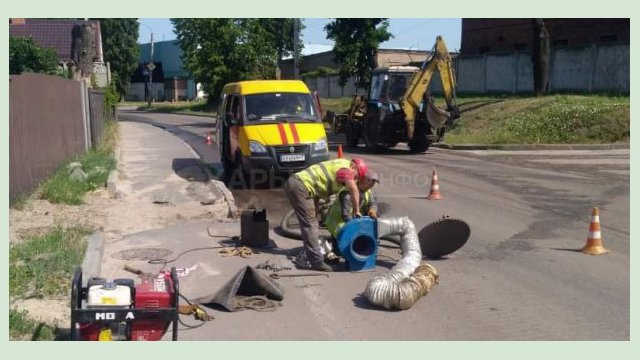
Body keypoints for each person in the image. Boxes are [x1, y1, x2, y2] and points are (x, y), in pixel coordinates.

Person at [284, 157, 369, 271]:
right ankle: (316, 261)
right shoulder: (346, 170)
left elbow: (320, 183)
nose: (355, 180)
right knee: (310, 224)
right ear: (355, 169)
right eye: (357, 177)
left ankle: (312, 253)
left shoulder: (341, 165)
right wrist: (356, 210)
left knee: (312, 222)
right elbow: (354, 189)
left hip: (300, 185)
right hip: (300, 186)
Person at [325, 170, 379, 243]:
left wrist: (372, 210)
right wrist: (359, 228)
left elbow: (372, 203)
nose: (371, 186)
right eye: (370, 183)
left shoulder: (367, 190)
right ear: (362, 180)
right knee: (342, 250)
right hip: (338, 224)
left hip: (352, 220)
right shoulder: (347, 194)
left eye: (373, 184)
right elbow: (346, 215)